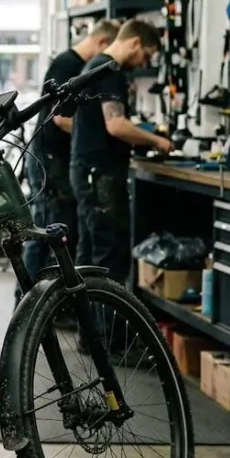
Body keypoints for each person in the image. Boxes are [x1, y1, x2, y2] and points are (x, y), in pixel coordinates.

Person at [19, 18, 121, 295]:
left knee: (59, 232)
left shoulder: (73, 63)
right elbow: (61, 120)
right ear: (102, 43)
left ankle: (50, 304)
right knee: (44, 234)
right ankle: (26, 303)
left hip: (57, 158)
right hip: (48, 159)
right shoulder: (68, 65)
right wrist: (93, 130)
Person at [69, 19, 171, 287]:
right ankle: (105, 329)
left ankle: (89, 326)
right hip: (100, 174)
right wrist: (156, 141)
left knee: (90, 254)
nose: (142, 63)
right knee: (110, 257)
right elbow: (115, 125)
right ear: (135, 42)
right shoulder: (110, 70)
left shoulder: (94, 66)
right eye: (145, 55)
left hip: (86, 170)